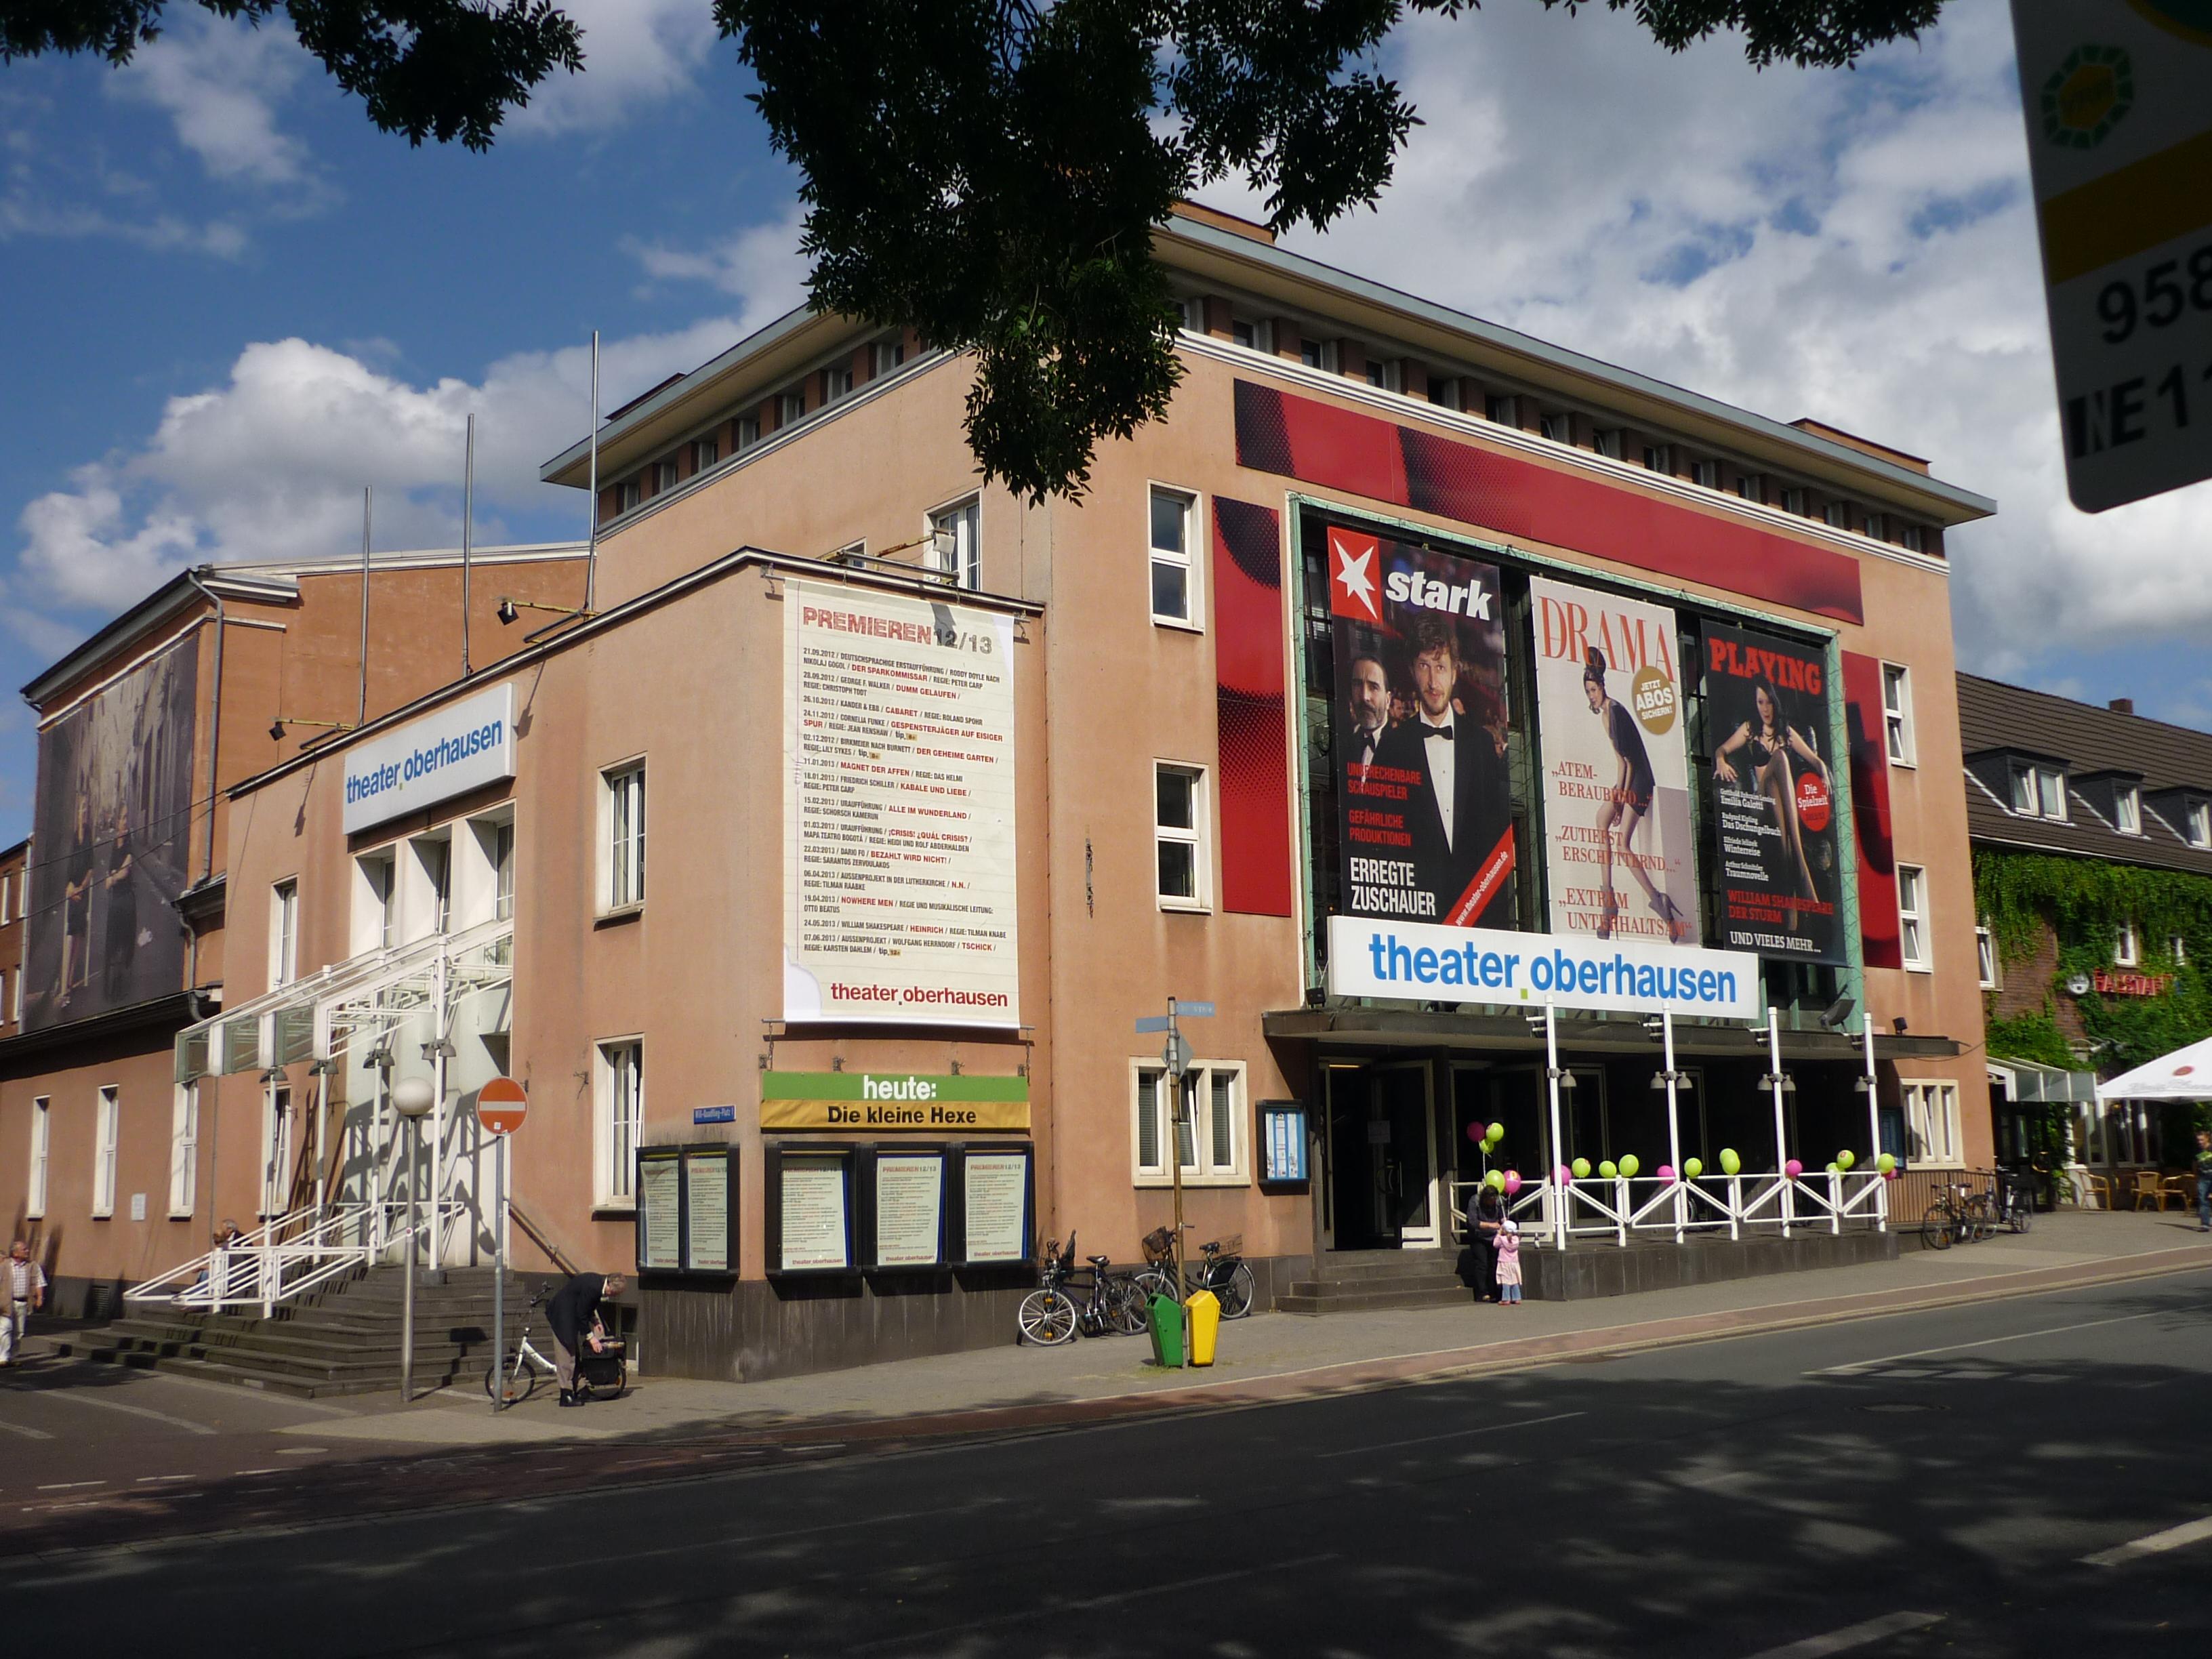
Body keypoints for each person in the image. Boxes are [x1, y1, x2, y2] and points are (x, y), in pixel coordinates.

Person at [1384, 615, 1513, 928]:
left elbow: (1496, 835)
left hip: (1480, 924)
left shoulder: (1482, 745)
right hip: (1413, 925)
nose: (1432, 681)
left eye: (1440, 667)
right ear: (1413, 671)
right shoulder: (1393, 746)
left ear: (1455, 672)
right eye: (1424, 666)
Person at [1713, 675, 1834, 935]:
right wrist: (1721, 762)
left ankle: (1792, 909)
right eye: (1760, 702)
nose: (1765, 709)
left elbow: (1814, 759)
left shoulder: (1786, 732)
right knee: (1780, 757)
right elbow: (1721, 750)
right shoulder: (1749, 729)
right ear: (1755, 704)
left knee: (1785, 843)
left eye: (1769, 703)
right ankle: (1802, 867)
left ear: (1775, 704)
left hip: (1779, 809)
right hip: (1759, 802)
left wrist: (1823, 772)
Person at [1583, 647, 1687, 943]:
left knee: (1622, 844)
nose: (1591, 695)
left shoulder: (1615, 712)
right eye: (1588, 691)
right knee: (1599, 820)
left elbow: (1630, 764)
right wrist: (1615, 799)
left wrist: (1622, 800)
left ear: (1603, 686)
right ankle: (1608, 901)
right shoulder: (1604, 715)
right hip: (1628, 774)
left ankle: (1659, 901)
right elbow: (1619, 760)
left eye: (1594, 689)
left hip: (1641, 780)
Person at [545, 1269, 627, 1407]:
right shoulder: (594, 1288)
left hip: (570, 1314)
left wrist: (594, 1321)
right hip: (562, 1316)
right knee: (567, 1356)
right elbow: (581, 1313)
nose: (612, 1297)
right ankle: (566, 1395)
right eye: (614, 1294)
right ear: (610, 1288)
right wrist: (591, 1338)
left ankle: (581, 1389)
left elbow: (587, 1306)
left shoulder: (598, 1283)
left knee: (575, 1355)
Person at [1343, 650, 1396, 784]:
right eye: (1357, 685)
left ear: (1388, 700)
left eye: (1373, 687)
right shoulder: (1345, 746)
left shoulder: (1406, 750)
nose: (1364, 696)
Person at [3, 1239, 45, 1367]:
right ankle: (3, 1357)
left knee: (19, 1332)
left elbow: (39, 1282)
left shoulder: (32, 1266)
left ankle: (12, 1357)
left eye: (27, 1249)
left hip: (23, 1303)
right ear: (15, 1253)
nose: (27, 1251)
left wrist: (40, 1297)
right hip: (6, 1303)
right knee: (5, 1329)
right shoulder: (5, 1265)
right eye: (24, 1249)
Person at [1462, 1185, 1506, 1303]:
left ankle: (1494, 1292)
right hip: (1478, 1237)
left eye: (1494, 1200)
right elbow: (1472, 1222)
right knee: (1482, 1264)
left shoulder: (1498, 1202)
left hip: (1493, 1237)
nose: (1493, 1202)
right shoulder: (1475, 1201)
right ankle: (1482, 1293)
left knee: (1494, 1264)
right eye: (1491, 1200)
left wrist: (1505, 1224)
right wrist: (1491, 1225)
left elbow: (1502, 1218)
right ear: (1485, 1198)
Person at [1494, 1219, 1524, 1307]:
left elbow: (1495, 1245)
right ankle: (1517, 1297)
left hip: (1504, 1262)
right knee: (1515, 1280)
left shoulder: (1502, 1239)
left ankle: (1506, 1298)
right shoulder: (1516, 1240)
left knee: (1506, 1281)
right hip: (1514, 1263)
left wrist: (1498, 1234)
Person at [2195, 1131, 2212, 1233]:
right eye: (2198, 1140)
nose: (2200, 1142)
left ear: (2207, 1139)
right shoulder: (2198, 1151)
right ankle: (2205, 1224)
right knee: (2203, 1199)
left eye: (2202, 1139)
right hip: (2203, 1178)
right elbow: (2195, 1163)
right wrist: (2195, 1175)